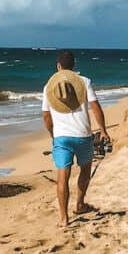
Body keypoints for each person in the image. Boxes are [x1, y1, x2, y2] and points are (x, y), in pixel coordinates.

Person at [41, 50, 110, 227]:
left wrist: (52, 134)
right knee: (85, 171)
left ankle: (64, 218)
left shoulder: (49, 86)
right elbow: (95, 107)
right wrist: (103, 130)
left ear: (58, 66)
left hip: (61, 137)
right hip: (83, 135)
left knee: (63, 176)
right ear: (74, 65)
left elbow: (46, 116)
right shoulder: (84, 82)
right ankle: (80, 204)